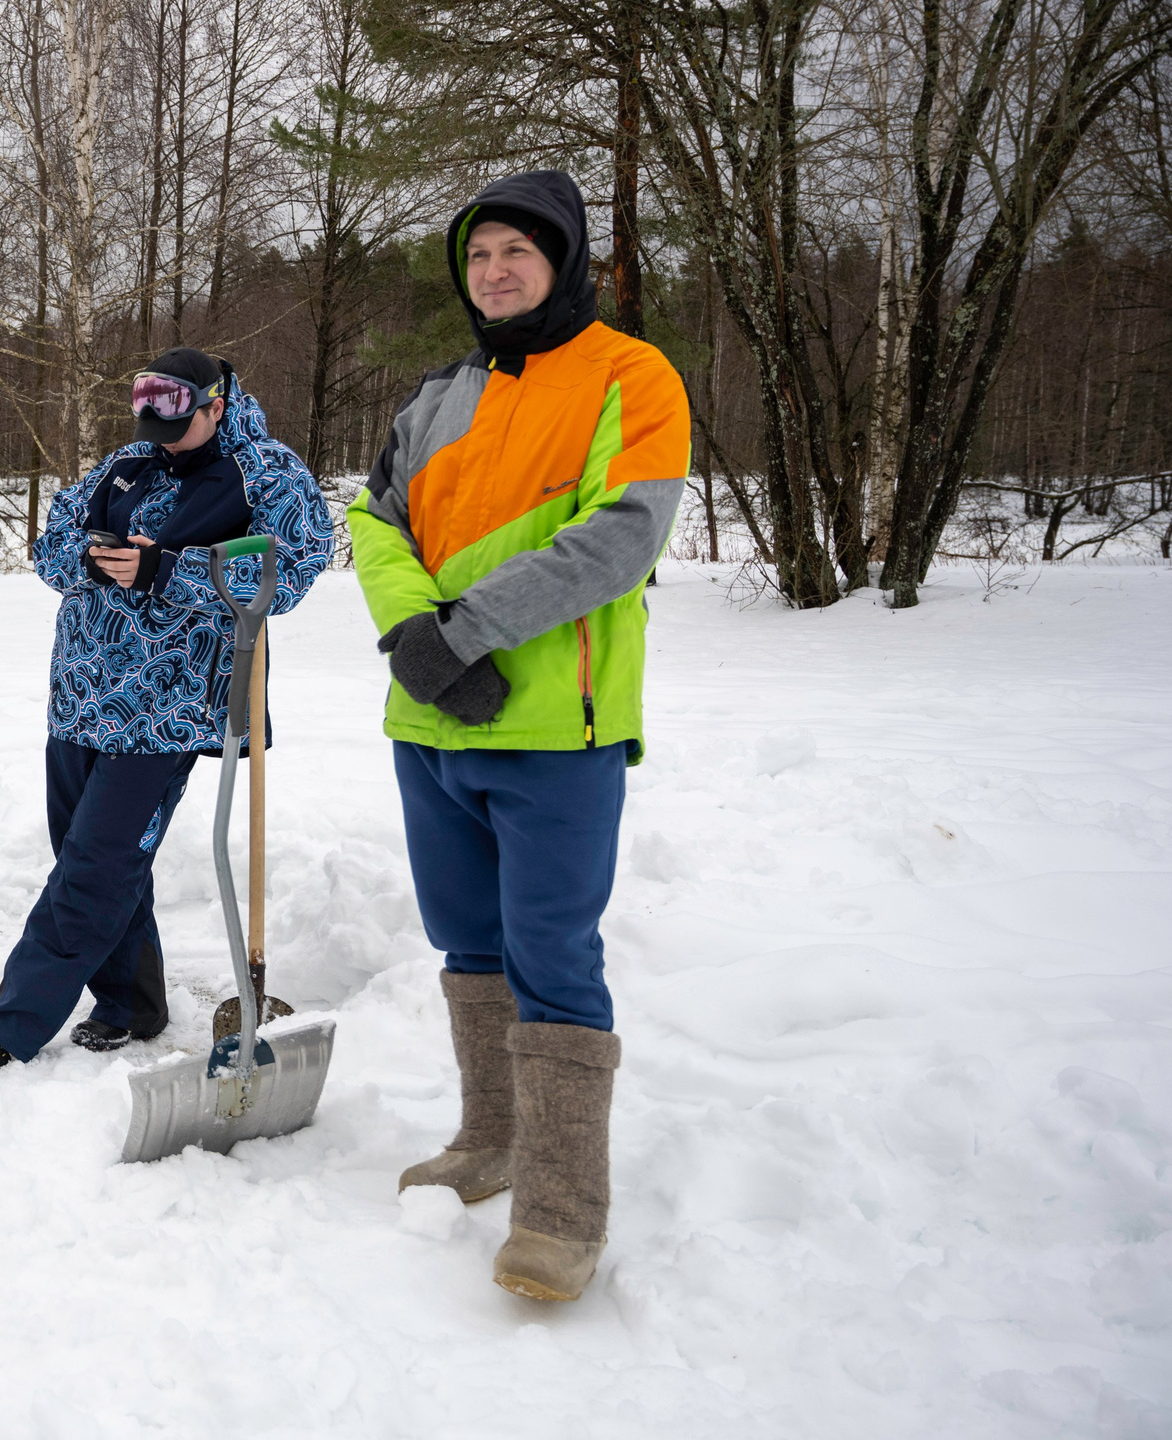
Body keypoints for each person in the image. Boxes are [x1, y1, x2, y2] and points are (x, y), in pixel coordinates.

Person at [345, 170, 687, 1302]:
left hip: (554, 729)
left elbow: (621, 537)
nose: (494, 270)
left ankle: (561, 1208)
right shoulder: (435, 396)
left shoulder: (631, 377)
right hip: (429, 715)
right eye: (478, 253)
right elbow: (373, 522)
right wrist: (416, 636)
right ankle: (490, 1140)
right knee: (468, 943)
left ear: (566, 260)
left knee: (551, 955)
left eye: (517, 252)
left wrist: (472, 633)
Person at [0, 348, 332, 1076]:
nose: (157, 420)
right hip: (82, 695)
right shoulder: (127, 463)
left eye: (174, 404)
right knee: (92, 858)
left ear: (215, 405)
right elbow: (51, 543)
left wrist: (166, 569)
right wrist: (90, 560)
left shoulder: (268, 470)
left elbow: (289, 571)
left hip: (169, 708)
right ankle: (132, 1003)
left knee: (95, 866)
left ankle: (12, 1024)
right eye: (145, 401)